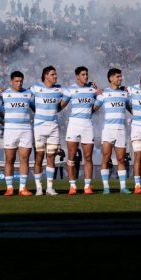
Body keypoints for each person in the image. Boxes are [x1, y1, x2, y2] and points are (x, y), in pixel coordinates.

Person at [61, 67, 100, 195]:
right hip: (73, 125)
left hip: (87, 125)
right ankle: (72, 186)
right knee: (71, 157)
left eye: (86, 74)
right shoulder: (70, 89)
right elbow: (61, 106)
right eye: (83, 74)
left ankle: (87, 186)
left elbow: (98, 101)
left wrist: (97, 92)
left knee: (88, 157)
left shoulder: (92, 89)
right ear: (77, 76)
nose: (86, 76)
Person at [95, 68, 132, 194]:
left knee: (121, 159)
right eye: (118, 77)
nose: (120, 79)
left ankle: (123, 187)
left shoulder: (125, 94)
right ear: (111, 78)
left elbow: (131, 109)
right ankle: (106, 187)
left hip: (121, 130)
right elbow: (93, 108)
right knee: (106, 158)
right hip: (108, 130)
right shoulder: (104, 93)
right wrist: (93, 94)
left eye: (121, 77)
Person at [30, 66, 64, 195]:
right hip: (39, 127)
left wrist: (90, 85)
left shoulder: (59, 88)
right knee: (39, 157)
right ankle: (39, 188)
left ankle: (50, 187)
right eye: (52, 74)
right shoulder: (35, 88)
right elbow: (24, 95)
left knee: (51, 157)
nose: (55, 76)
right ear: (45, 76)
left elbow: (71, 95)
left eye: (55, 74)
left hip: (53, 127)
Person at [1, 70, 35, 196]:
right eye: (16, 81)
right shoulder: (4, 95)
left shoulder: (28, 94)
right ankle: (9, 188)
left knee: (24, 159)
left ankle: (22, 188)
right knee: (9, 159)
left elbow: (35, 108)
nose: (19, 83)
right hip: (10, 130)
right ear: (11, 81)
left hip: (26, 129)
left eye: (21, 81)